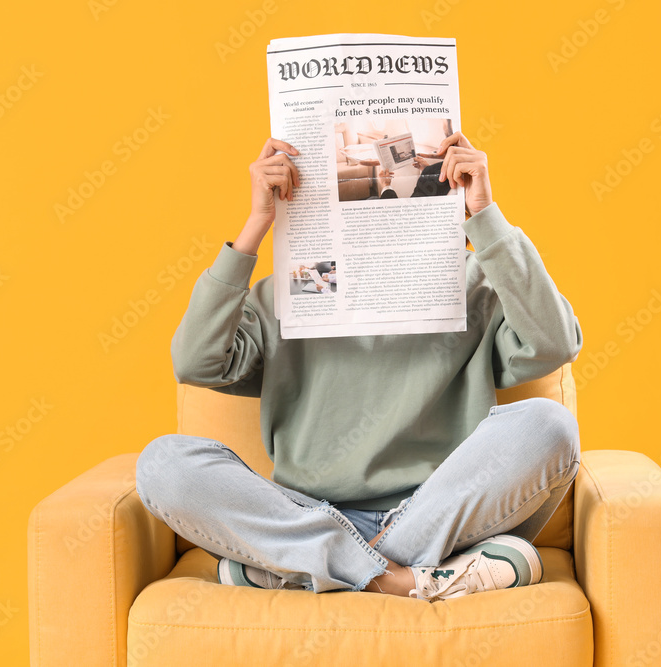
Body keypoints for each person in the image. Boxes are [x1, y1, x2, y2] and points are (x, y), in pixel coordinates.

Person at [135, 131, 584, 602]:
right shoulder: (288, 294)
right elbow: (195, 363)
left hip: (435, 511)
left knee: (550, 425)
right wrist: (256, 224)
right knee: (163, 463)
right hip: (308, 512)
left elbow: (554, 344)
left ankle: (308, 571)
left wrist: (486, 217)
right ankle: (407, 578)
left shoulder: (475, 286)